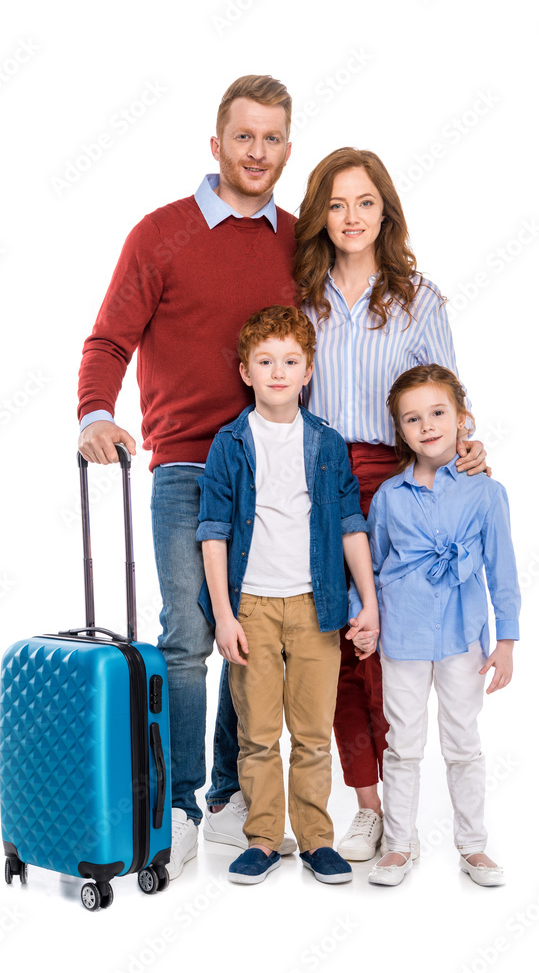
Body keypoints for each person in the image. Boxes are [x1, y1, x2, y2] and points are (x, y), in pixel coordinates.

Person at [77, 75, 298, 877]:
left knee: (257, 635)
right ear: (216, 144)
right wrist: (94, 413)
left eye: (272, 138)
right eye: (244, 136)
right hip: (185, 467)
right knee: (187, 638)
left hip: (273, 471)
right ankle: (177, 803)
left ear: (286, 148)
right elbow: (109, 339)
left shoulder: (298, 239)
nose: (257, 152)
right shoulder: (161, 233)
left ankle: (232, 795)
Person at [291, 147, 488, 862]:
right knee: (341, 644)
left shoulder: (417, 299)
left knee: (391, 644)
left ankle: (408, 814)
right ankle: (368, 806)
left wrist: (467, 448)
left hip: (392, 482)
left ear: (385, 212)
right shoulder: (300, 296)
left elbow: (446, 398)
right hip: (316, 478)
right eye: (337, 203)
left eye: (365, 202)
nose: (351, 217)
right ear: (320, 215)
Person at [197, 305, 379, 884]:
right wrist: (224, 615)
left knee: (311, 734)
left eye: (290, 361)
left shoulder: (326, 443)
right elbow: (213, 532)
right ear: (245, 371)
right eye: (265, 361)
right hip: (250, 606)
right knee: (255, 735)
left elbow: (350, 524)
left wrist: (369, 602)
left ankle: (317, 841)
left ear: (308, 371)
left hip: (316, 606)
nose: (278, 372)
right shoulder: (230, 443)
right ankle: (263, 839)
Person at [348, 364, 520, 886]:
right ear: (400, 431)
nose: (427, 426)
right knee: (403, 743)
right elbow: (373, 566)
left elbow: (502, 570)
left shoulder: (486, 493)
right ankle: (399, 845)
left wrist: (507, 640)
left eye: (438, 413)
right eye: (412, 418)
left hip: (464, 638)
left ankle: (473, 846)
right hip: (402, 637)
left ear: (462, 418)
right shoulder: (389, 496)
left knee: (463, 741)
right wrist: (364, 618)